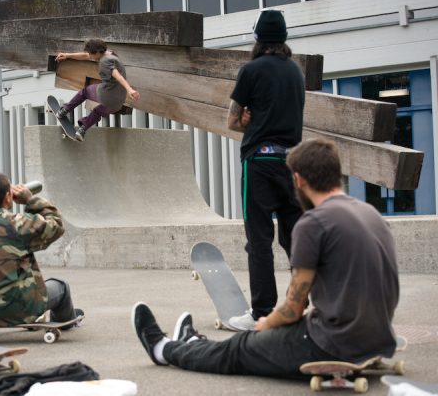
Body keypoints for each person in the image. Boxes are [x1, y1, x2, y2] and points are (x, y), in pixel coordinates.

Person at [132, 138, 400, 376]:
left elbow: (293, 308)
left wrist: (266, 323)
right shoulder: (372, 215)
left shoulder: (313, 223)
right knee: (254, 341)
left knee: (239, 348)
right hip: (378, 339)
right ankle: (191, 344)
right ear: (336, 174)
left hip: (333, 343)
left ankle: (163, 349)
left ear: (298, 180)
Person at [226, 9, 305, 331]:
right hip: (293, 164)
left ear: (257, 38)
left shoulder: (251, 70)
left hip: (259, 162)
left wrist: (249, 120)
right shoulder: (295, 73)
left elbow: (232, 119)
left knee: (258, 240)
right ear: (284, 39)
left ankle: (261, 313)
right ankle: (300, 306)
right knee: (296, 239)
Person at [0, 173, 82, 327]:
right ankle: (65, 324)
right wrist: (30, 199)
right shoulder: (17, 224)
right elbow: (56, 225)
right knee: (61, 287)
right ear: (8, 196)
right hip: (18, 309)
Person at [54, 39, 140, 141]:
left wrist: (130, 89)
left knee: (85, 92)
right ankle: (82, 130)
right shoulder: (110, 54)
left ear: (98, 52)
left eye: (91, 54)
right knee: (98, 111)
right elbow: (86, 55)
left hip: (107, 95)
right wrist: (67, 55)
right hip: (117, 103)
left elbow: (117, 75)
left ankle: (64, 110)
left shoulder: (104, 62)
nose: (90, 56)